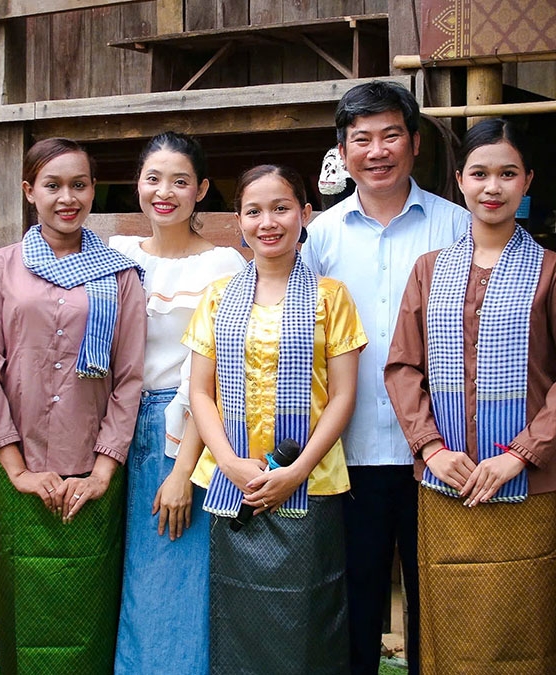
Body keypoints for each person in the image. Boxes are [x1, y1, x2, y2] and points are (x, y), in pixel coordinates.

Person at [385, 119, 556, 674]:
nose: (493, 187)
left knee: (531, 627)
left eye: (507, 174)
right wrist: (431, 448)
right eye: (480, 173)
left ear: (527, 181)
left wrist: (519, 453)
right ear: (460, 181)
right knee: (449, 631)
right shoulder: (430, 271)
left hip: (530, 484)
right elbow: (403, 366)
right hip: (447, 482)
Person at [0, 138, 144, 673]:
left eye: (79, 185)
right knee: (23, 604)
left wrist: (102, 472)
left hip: (93, 469)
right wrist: (16, 470)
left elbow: (129, 380)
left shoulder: (120, 276)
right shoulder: (0, 269)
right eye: (53, 185)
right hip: (19, 470)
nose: (67, 197)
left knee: (89, 603)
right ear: (30, 191)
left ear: (94, 190)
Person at [300, 79, 470, 675]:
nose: (377, 151)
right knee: (354, 603)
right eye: (361, 139)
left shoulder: (457, 228)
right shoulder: (317, 237)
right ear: (342, 153)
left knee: (441, 602)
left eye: (390, 135)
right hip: (348, 452)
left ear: (415, 143)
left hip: (442, 452)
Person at [186, 165, 365, 674]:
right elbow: (201, 392)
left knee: (309, 615)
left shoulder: (332, 297)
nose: (269, 221)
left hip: (310, 482)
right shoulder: (219, 296)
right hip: (234, 484)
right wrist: (230, 463)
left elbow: (343, 397)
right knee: (237, 613)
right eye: (254, 210)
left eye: (281, 208)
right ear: (238, 221)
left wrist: (295, 472)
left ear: (305, 214)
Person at [110, 132, 244, 674]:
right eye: (154, 179)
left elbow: (212, 379)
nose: (165, 192)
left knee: (166, 574)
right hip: (111, 424)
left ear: (202, 189)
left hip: (179, 427)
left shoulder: (224, 266)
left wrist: (184, 468)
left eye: (180, 181)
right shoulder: (115, 255)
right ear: (137, 184)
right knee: (110, 570)